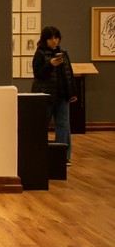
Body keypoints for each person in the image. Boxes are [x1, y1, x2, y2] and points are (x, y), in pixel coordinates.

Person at [32, 26, 77, 165]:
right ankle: (38, 154)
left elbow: (68, 74)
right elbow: (38, 74)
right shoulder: (40, 54)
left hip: (62, 95)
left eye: (56, 38)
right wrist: (50, 65)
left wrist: (72, 92)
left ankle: (63, 156)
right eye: (51, 38)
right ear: (45, 39)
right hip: (46, 95)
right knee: (41, 124)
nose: (54, 41)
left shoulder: (63, 53)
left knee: (64, 125)